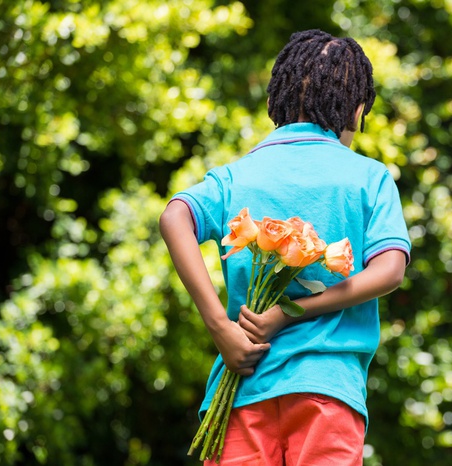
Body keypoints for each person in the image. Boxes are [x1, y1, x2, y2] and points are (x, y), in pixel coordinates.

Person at [159, 29, 411, 465]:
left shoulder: (237, 176)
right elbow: (390, 270)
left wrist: (221, 328)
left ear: (278, 98)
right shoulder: (369, 177)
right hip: (327, 390)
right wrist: (294, 313)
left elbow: (173, 217)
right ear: (354, 111)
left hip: (241, 389)